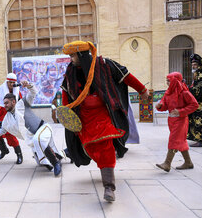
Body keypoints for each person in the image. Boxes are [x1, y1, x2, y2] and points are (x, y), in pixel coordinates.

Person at [60, 41, 149, 202]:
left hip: (104, 113)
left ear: (81, 55)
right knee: (92, 146)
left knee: (105, 145)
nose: (70, 58)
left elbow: (126, 76)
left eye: (72, 55)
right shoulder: (70, 71)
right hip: (84, 117)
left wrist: (142, 90)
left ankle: (109, 186)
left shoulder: (105, 64)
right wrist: (66, 114)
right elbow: (66, 93)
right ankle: (105, 165)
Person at [0, 81, 64, 176]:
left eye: (7, 103)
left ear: (13, 102)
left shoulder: (22, 104)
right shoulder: (7, 119)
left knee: (38, 140)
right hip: (32, 138)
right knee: (41, 161)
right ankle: (66, 153)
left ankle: (56, 163)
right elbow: (2, 130)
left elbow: (33, 93)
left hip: (42, 128)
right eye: (4, 103)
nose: (5, 105)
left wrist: (28, 85)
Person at [155, 72, 198, 172]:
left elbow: (194, 105)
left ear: (175, 81)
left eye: (169, 81)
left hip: (181, 120)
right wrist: (160, 106)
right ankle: (188, 162)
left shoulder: (184, 93)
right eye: (167, 81)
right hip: (171, 120)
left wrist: (181, 111)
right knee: (180, 141)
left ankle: (167, 163)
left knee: (174, 140)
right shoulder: (168, 92)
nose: (167, 83)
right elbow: (164, 104)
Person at [0, 73, 23, 164]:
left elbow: (22, 104)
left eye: (13, 82)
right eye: (10, 82)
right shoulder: (0, 89)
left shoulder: (17, 92)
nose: (11, 84)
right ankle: (3, 150)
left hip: (11, 114)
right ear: (7, 82)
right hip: (0, 114)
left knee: (10, 134)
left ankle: (19, 155)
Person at [187, 54, 202, 147]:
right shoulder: (198, 74)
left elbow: (200, 88)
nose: (193, 66)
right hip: (199, 102)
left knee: (200, 121)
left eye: (195, 64)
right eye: (192, 64)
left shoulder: (201, 74)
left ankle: (201, 141)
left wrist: (188, 91)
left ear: (200, 64)